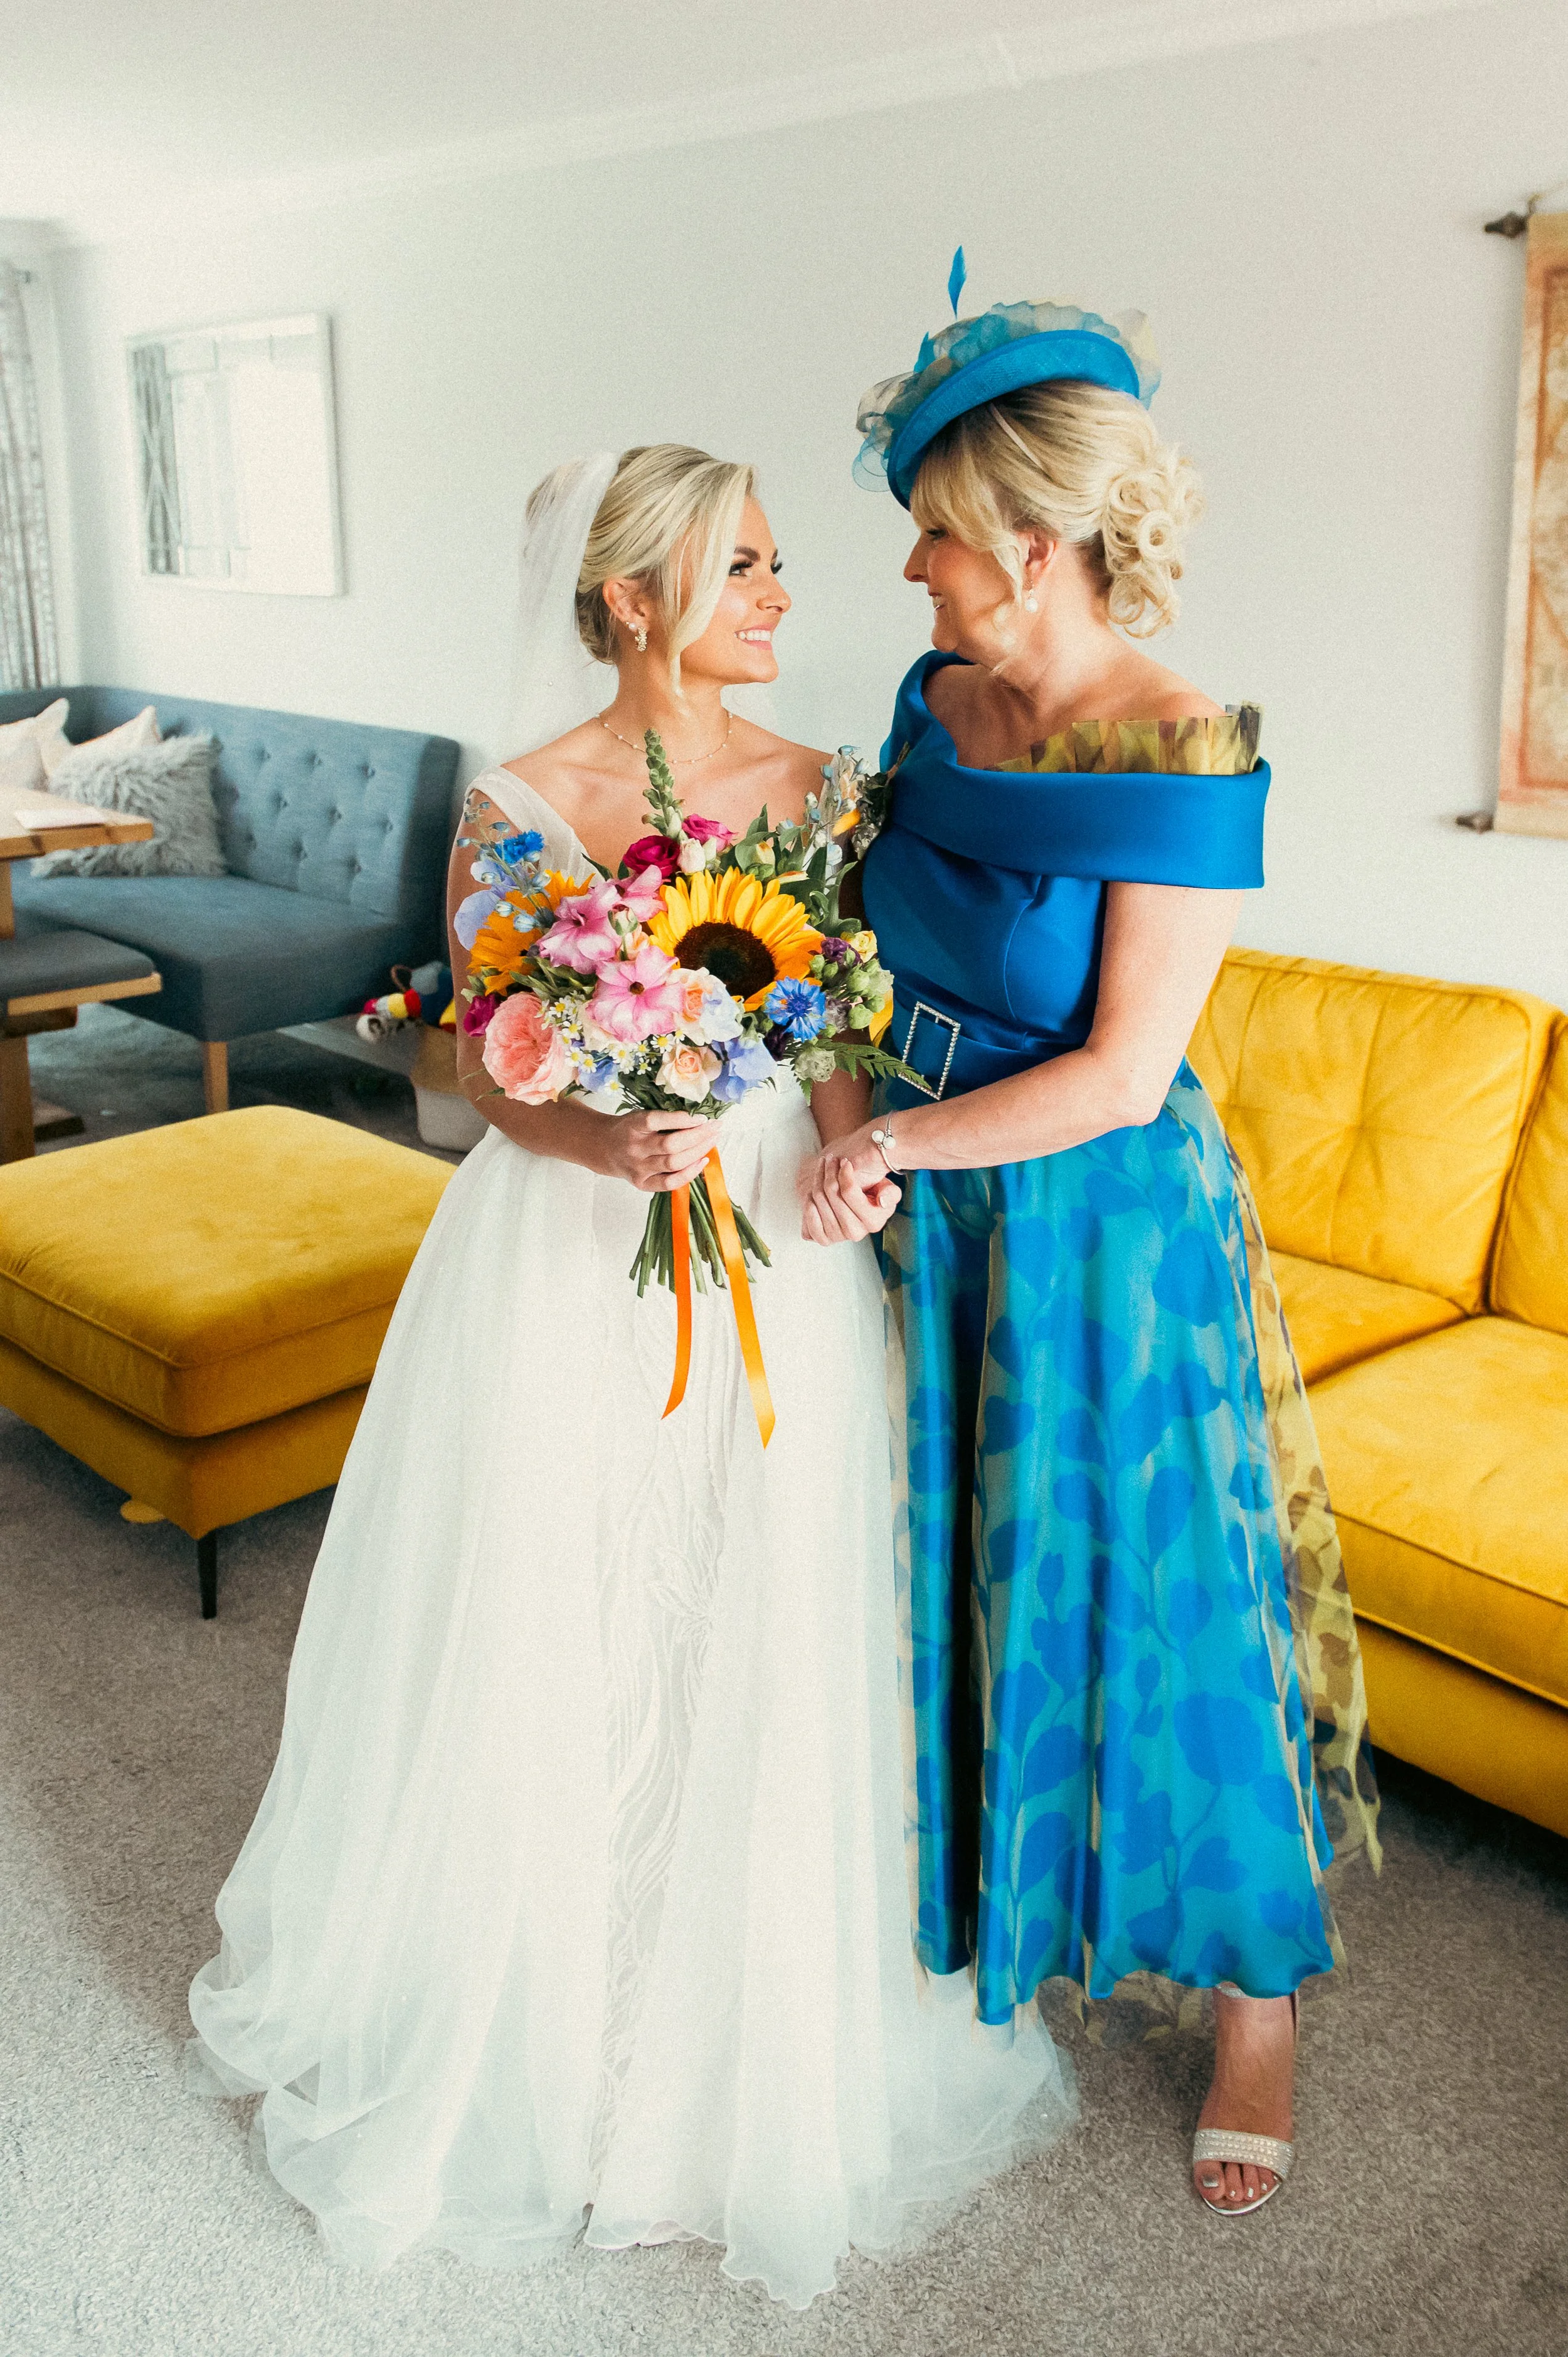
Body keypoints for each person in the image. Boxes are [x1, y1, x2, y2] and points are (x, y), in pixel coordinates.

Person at [188, 444, 1072, 2307]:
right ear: (629, 600)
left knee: (757, 1605)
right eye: (739, 567)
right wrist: (601, 1147)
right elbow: (489, 1063)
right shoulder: (518, 804)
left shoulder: (828, 786)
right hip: (574, 1241)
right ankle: (542, 2034)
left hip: (776, 1235)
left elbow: (830, 1017)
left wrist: (861, 1190)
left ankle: (717, 2054)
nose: (776, 595)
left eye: (771, 563)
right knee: (562, 1604)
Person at [799, 298, 1380, 2218]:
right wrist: (834, 1112)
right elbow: (863, 940)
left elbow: (1125, 1074)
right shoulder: (922, 695)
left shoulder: (1183, 747)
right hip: (915, 1193)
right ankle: (1001, 1891)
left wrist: (890, 1133)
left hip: (1097, 1218)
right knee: (954, 1557)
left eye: (932, 531)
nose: (906, 566)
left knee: (1159, 1595)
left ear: (1025, 542)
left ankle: (1255, 2005)